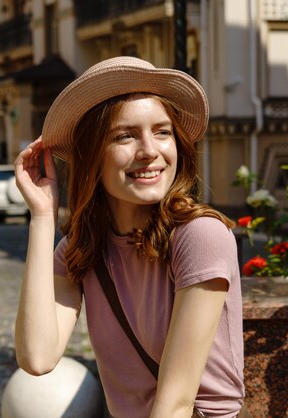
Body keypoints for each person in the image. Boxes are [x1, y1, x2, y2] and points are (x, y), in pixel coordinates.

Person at [14, 56, 247, 418]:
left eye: (162, 132)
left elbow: (176, 405)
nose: (150, 151)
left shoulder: (200, 236)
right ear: (92, 156)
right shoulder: (82, 249)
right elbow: (37, 358)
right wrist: (42, 216)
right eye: (125, 135)